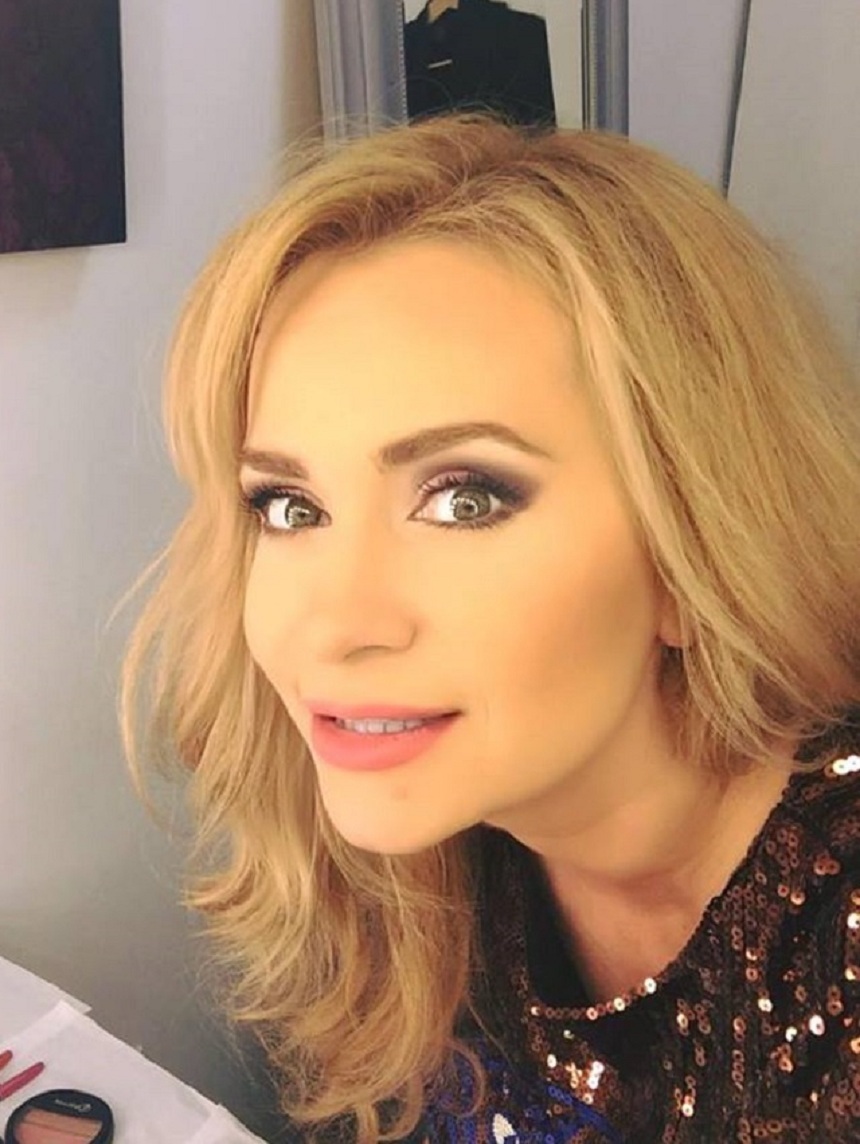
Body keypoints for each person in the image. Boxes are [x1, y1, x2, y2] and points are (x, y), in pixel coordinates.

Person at [115, 113, 860, 1143]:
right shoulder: (410, 853)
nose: (334, 625)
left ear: (697, 545)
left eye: (464, 499)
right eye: (289, 506)